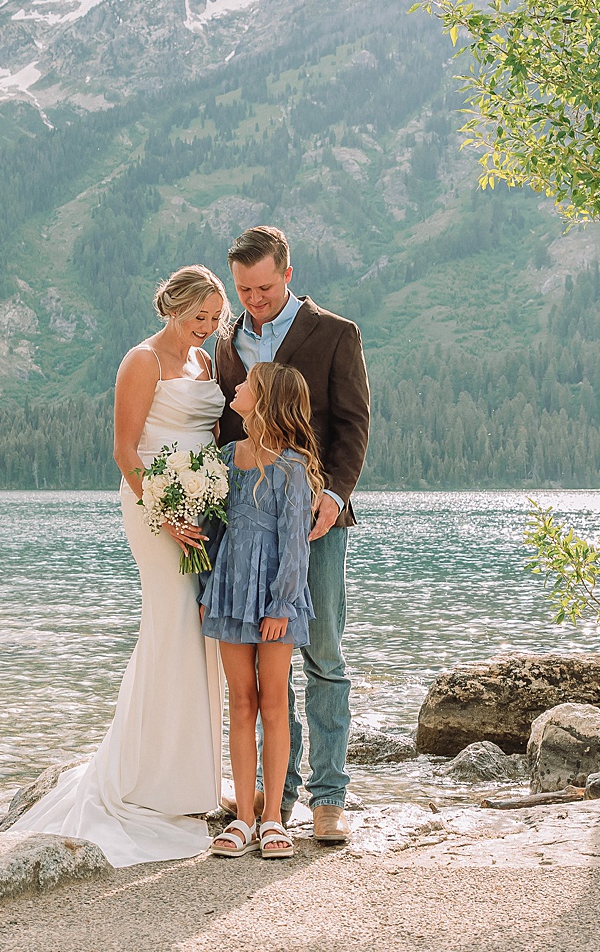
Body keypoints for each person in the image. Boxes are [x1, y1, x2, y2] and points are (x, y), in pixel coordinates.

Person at [7, 266, 228, 866]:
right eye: (198, 319)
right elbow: (125, 451)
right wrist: (165, 511)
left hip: (202, 504)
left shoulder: (206, 365)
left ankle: (190, 781)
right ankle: (146, 780)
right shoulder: (143, 361)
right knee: (171, 624)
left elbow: (207, 438)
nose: (208, 330)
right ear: (172, 312)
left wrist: (204, 501)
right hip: (153, 506)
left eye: (214, 319)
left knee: (199, 633)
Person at [214, 225, 369, 845]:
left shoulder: (335, 333)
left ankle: (329, 797)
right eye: (243, 289)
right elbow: (227, 428)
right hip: (250, 525)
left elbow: (353, 427)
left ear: (288, 275)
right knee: (263, 661)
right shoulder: (228, 344)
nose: (252, 299)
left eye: (263, 286)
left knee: (322, 654)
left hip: (316, 521)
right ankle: (276, 799)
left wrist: (332, 498)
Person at [200, 362, 319, 860]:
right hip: (230, 595)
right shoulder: (228, 458)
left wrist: (281, 604)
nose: (237, 387)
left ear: (265, 399)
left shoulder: (291, 469)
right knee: (240, 703)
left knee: (274, 703)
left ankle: (274, 818)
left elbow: (295, 544)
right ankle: (244, 819)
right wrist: (208, 585)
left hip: (275, 603)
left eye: (247, 385)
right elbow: (215, 530)